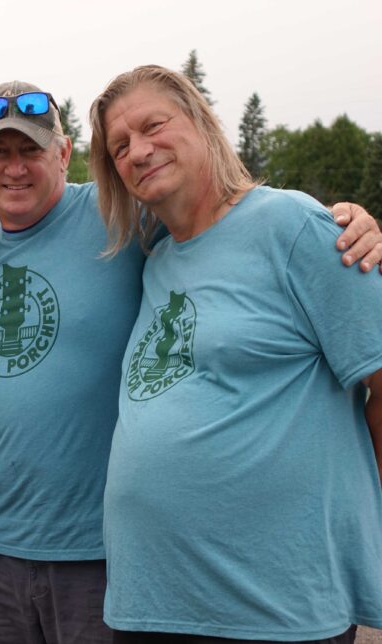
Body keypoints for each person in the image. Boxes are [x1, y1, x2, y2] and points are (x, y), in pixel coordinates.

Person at [0, 80, 382, 644]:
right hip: (72, 571)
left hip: (192, 583)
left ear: (62, 155)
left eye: (31, 150)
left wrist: (353, 223)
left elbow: (238, 221)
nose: (138, 150)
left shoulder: (146, 224)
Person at [89, 64, 382, 644]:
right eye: (120, 146)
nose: (139, 151)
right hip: (150, 604)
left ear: (200, 121)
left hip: (274, 609)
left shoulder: (292, 225)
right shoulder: (157, 261)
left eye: (153, 126)